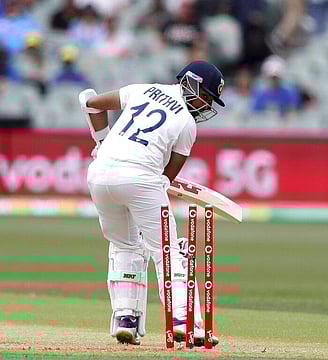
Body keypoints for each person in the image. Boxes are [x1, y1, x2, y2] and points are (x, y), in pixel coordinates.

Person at [80, 60, 225, 347]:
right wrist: (154, 183)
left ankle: (126, 319)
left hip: (99, 175)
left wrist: (102, 142)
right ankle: (183, 320)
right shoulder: (186, 122)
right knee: (168, 251)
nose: (206, 105)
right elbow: (167, 177)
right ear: (190, 83)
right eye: (205, 95)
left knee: (125, 246)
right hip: (141, 179)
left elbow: (91, 102)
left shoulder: (143, 89)